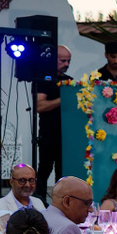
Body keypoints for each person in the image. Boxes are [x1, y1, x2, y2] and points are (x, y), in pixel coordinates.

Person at [33, 45, 73, 199]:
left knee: (63, 171)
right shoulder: (43, 79)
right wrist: (62, 99)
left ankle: (60, 200)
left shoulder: (69, 82)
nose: (66, 64)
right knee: (45, 168)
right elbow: (39, 106)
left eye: (68, 61)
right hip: (49, 132)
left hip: (66, 134)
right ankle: (39, 200)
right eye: (63, 61)